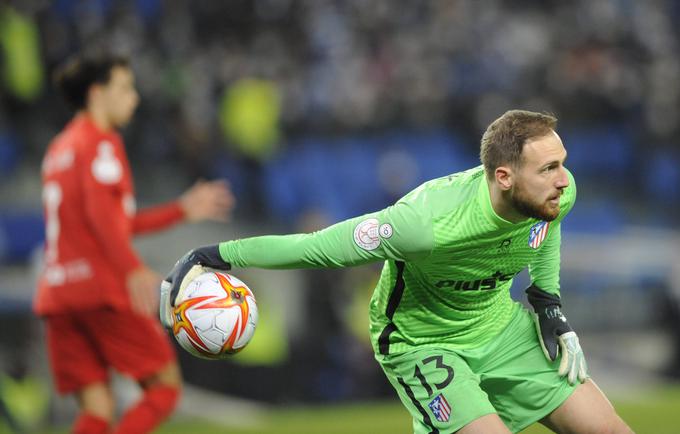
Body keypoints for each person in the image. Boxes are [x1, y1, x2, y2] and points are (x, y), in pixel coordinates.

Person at [160, 110, 632, 433]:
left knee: (609, 427)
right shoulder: (423, 224)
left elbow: (546, 232)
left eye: (563, 164)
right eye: (549, 168)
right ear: (504, 177)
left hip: (499, 326)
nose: (564, 180)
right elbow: (318, 247)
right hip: (422, 342)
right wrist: (216, 253)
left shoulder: (557, 194)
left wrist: (548, 303)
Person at [34, 53, 234, 434]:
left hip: (58, 294)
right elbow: (101, 216)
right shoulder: (101, 143)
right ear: (97, 94)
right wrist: (132, 270)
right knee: (165, 388)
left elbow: (112, 222)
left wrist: (180, 210)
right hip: (99, 290)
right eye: (124, 88)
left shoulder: (59, 149)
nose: (134, 98)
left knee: (97, 409)